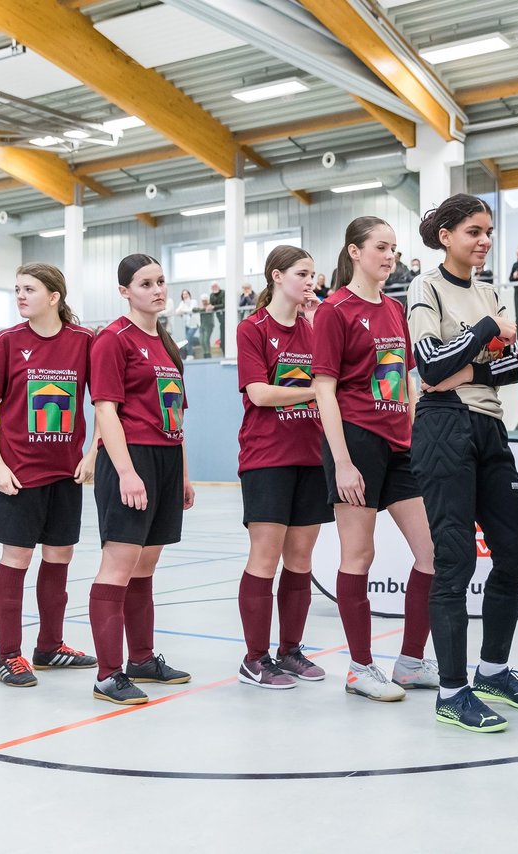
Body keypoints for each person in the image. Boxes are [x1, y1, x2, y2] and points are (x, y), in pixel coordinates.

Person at [409, 194, 518, 733]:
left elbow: (510, 368)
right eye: (473, 231)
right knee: (456, 561)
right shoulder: (426, 286)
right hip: (443, 425)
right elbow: (430, 364)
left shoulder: (491, 289)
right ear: (446, 236)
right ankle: (451, 690)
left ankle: (491, 672)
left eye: (488, 231)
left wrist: (471, 364)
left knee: (515, 554)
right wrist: (486, 332)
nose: (484, 240)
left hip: (488, 427)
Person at [311, 216, 436, 702]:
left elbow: (405, 379)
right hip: (356, 442)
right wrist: (341, 461)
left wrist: (412, 432)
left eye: (394, 249)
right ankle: (360, 667)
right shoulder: (334, 310)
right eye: (380, 247)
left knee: (432, 554)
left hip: (400, 446)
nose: (390, 256)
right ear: (354, 251)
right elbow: (324, 388)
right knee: (358, 556)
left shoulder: (395, 310)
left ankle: (408, 662)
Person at [0, 263, 98, 687]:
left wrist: (93, 451)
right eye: (16, 289)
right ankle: (7, 655)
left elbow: (105, 402)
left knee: (59, 557)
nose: (20, 296)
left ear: (54, 297)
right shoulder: (7, 341)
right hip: (19, 472)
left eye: (29, 289)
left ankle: (49, 647)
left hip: (66, 473)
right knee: (17, 558)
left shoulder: (84, 341)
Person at [85, 254, 196, 705]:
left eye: (161, 281)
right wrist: (127, 470)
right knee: (119, 563)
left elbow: (178, 416)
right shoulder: (113, 340)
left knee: (145, 566)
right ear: (125, 291)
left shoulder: (166, 344)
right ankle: (108, 674)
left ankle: (142, 659)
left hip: (167, 460)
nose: (157, 289)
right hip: (130, 459)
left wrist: (183, 474)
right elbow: (105, 410)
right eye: (146, 283)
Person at [235, 246, 331, 689]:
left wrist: (319, 318)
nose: (311, 281)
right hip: (266, 458)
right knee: (265, 556)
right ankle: (255, 658)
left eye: (314, 274)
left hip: (311, 457)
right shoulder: (252, 328)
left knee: (300, 559)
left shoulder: (314, 330)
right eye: (302, 273)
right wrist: (317, 391)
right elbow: (258, 393)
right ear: (277, 276)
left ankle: (290, 650)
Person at [177, 288, 200, 358]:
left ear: (189, 295)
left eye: (186, 294)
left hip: (194, 324)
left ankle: (190, 354)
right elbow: (177, 312)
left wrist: (183, 310)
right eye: (183, 294)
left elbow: (191, 310)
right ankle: (198, 341)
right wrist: (184, 311)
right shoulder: (182, 303)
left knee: (188, 338)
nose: (185, 295)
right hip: (187, 324)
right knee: (188, 339)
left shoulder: (193, 301)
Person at [209, 281, 225, 354]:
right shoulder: (212, 295)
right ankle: (224, 351)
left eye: (215, 286)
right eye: (212, 287)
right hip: (220, 319)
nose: (214, 288)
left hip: (226, 318)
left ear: (218, 286)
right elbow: (211, 304)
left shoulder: (223, 293)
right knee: (222, 336)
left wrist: (214, 307)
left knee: (224, 335)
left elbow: (224, 304)